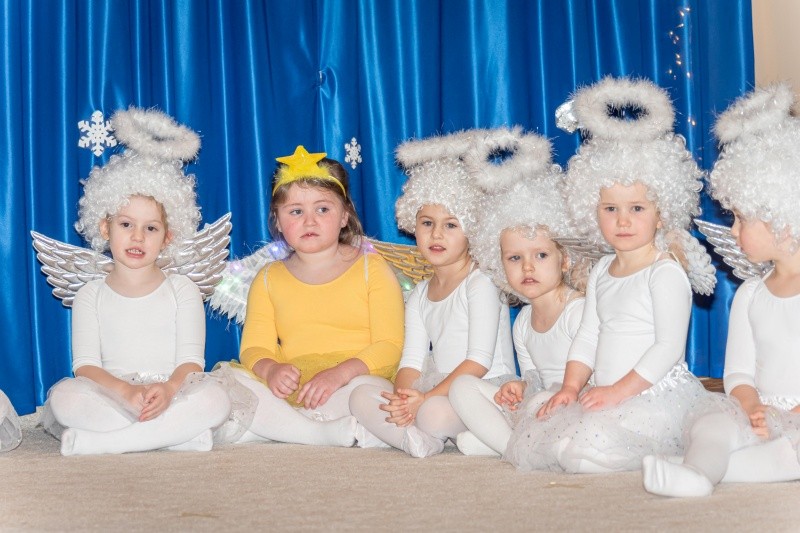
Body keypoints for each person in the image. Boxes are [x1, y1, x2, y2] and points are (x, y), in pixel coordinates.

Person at [505, 77, 717, 473]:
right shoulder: (602, 269)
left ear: (662, 212)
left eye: (636, 208)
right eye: (610, 209)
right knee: (556, 435)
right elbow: (588, 336)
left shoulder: (665, 272)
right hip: (605, 392)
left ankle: (654, 456)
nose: (622, 220)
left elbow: (668, 349)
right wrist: (570, 387)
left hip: (652, 393)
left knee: (583, 453)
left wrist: (618, 392)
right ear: (592, 210)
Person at [41, 108, 231, 456]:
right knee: (65, 399)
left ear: (168, 236)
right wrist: (126, 393)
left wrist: (169, 390)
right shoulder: (90, 294)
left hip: (173, 392)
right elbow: (85, 366)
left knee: (216, 399)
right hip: (113, 395)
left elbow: (192, 362)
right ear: (105, 227)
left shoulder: (182, 289)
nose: (138, 237)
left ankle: (105, 443)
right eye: (126, 224)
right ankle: (178, 436)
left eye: (151, 228)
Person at [643, 84, 800, 497]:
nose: (732, 230)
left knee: (792, 451)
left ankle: (714, 472)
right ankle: (698, 469)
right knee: (712, 423)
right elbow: (739, 372)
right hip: (759, 410)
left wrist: (790, 416)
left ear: (782, 220)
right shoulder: (751, 294)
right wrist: (750, 405)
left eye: (740, 218)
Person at [349, 131, 516, 458]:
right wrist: (404, 398)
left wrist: (423, 400)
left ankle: (420, 432)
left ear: (473, 229)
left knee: (432, 414)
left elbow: (479, 362)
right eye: (427, 223)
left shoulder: (480, 282)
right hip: (436, 391)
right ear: (413, 225)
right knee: (360, 393)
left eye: (451, 225)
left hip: (481, 392)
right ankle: (417, 438)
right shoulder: (420, 294)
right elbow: (411, 362)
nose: (436, 234)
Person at [227, 146, 404, 447]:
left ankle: (290, 427)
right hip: (297, 384)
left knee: (365, 393)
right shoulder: (268, 278)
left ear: (345, 215)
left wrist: (339, 375)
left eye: (322, 209)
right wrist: (272, 370)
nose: (309, 221)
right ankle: (316, 430)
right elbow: (254, 347)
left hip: (353, 379)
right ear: (278, 221)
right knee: (234, 386)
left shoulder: (371, 268)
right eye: (296, 211)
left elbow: (390, 345)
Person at [448, 128, 588, 457]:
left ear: (565, 258)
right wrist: (519, 388)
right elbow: (534, 380)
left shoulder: (578, 310)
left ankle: (510, 446)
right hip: (541, 406)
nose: (527, 267)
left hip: (579, 406)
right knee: (462, 387)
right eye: (514, 258)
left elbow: (594, 376)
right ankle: (516, 446)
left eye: (540, 255)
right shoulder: (523, 322)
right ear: (500, 264)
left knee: (540, 403)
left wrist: (544, 396)